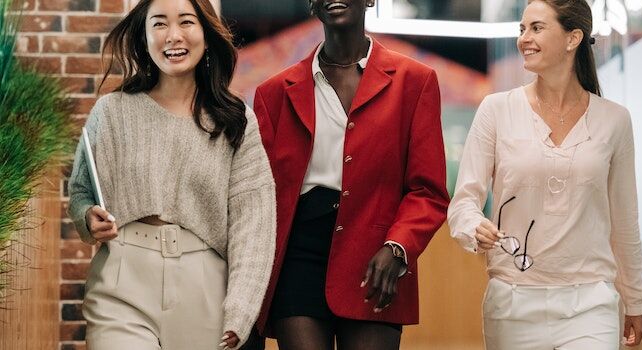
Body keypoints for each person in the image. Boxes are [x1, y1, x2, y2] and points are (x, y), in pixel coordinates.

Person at [67, 0, 276, 348]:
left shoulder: (235, 121)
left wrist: (241, 307)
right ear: (144, 37)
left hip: (206, 290)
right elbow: (81, 190)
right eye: (159, 24)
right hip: (123, 281)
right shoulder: (112, 111)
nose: (173, 35)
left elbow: (253, 225)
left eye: (186, 22)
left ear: (206, 35)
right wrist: (88, 217)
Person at [245, 0, 449, 349]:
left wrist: (398, 248)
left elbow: (427, 191)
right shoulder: (273, 93)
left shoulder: (415, 82)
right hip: (298, 257)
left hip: (376, 257)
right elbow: (258, 196)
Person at [447, 0, 642, 349]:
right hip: (512, 303)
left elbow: (624, 219)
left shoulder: (615, 120)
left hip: (590, 304)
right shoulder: (496, 110)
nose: (524, 38)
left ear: (573, 38)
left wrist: (635, 299)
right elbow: (464, 201)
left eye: (536, 28)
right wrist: (471, 227)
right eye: (521, 29)